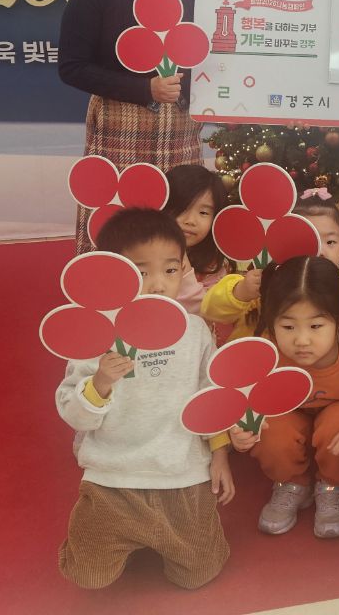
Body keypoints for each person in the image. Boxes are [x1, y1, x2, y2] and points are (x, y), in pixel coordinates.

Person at [54, 208, 233, 589]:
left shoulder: (195, 331)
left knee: (198, 574)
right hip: (112, 482)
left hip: (182, 477)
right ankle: (111, 537)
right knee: (88, 576)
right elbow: (74, 414)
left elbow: (211, 395)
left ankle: (166, 540)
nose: (158, 284)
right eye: (141, 272)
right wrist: (100, 382)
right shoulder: (96, 333)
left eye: (170, 270)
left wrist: (220, 454)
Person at [58, 0, 206, 252]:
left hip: (181, 135)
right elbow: (72, 66)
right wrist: (145, 88)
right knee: (115, 230)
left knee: (178, 235)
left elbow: (214, 61)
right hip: (118, 132)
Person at [228, 256, 339, 539]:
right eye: (288, 327)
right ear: (272, 321)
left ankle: (334, 485)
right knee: (270, 429)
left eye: (315, 326)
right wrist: (239, 428)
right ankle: (291, 483)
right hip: (285, 413)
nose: (302, 340)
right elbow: (240, 398)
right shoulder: (263, 352)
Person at [202, 197, 339, 345]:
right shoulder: (266, 283)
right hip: (256, 365)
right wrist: (242, 291)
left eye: (330, 242)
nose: (320, 251)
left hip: (320, 372)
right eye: (308, 240)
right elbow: (211, 311)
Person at [163, 164, 230, 314]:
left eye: (203, 213)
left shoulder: (214, 265)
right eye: (183, 209)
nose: (190, 221)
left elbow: (204, 312)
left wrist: (185, 270)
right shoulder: (143, 251)